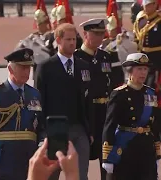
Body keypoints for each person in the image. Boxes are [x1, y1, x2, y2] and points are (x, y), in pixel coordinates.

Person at [35, 23, 93, 180]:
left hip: (79, 129)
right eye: (68, 39)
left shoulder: (83, 66)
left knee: (80, 175)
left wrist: (90, 130)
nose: (72, 43)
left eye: (74, 39)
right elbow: (40, 101)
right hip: (55, 129)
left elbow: (88, 101)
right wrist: (42, 131)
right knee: (51, 174)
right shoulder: (45, 67)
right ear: (58, 40)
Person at [0, 48, 45, 180]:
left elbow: (40, 126)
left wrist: (42, 142)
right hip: (4, 158)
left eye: (28, 68)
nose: (27, 72)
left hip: (29, 156)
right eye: (22, 68)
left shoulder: (34, 94)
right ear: (10, 69)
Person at [102, 53, 161, 180]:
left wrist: (157, 153)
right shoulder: (119, 94)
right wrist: (107, 157)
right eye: (139, 69)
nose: (143, 73)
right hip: (126, 148)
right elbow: (110, 125)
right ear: (129, 71)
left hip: (146, 149)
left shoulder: (150, 93)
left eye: (145, 69)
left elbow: (155, 124)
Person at [74, 18, 111, 180]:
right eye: (95, 34)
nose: (100, 37)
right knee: (82, 162)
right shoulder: (76, 58)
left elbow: (113, 84)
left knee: (108, 160)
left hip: (105, 114)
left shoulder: (105, 57)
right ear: (85, 34)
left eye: (102, 34)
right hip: (87, 115)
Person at [16, 0, 51, 80]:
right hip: (37, 71)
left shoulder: (51, 36)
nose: (39, 26)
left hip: (51, 70)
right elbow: (18, 49)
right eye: (38, 24)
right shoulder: (32, 37)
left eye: (41, 23)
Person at [133, 0, 161, 87]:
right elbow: (137, 38)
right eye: (144, 5)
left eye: (148, 5)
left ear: (155, 4)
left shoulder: (159, 22)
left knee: (153, 83)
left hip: (156, 57)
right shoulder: (142, 20)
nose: (145, 8)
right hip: (143, 56)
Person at [101, 15, 125, 89]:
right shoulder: (104, 42)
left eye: (112, 30)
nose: (111, 31)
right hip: (106, 71)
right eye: (110, 30)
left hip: (117, 70)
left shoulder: (121, 40)